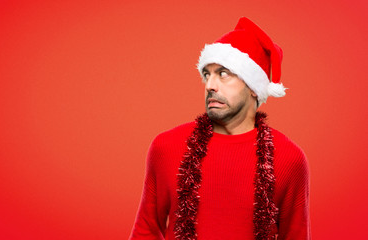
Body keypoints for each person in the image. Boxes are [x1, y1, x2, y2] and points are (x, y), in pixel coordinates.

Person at [129, 17, 310, 240]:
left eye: (223, 74)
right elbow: (145, 230)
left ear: (254, 87)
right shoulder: (166, 147)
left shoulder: (289, 158)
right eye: (208, 74)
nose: (210, 85)